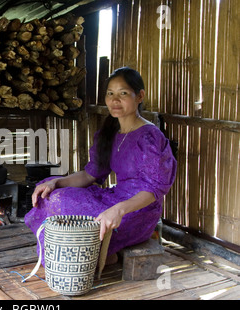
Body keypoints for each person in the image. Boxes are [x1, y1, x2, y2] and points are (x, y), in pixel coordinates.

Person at [25, 67, 177, 265]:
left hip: (137, 212)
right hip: (114, 200)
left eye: (123, 93)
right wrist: (56, 182)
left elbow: (154, 190)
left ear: (140, 96)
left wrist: (119, 211)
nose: (115, 100)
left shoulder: (150, 137)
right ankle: (97, 253)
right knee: (52, 193)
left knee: (62, 204)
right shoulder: (110, 132)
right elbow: (90, 175)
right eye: (110, 94)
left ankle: (99, 251)